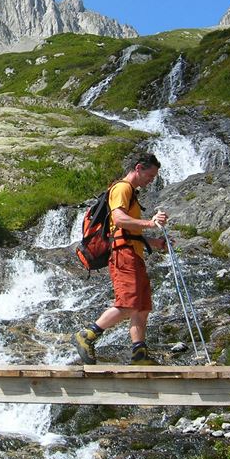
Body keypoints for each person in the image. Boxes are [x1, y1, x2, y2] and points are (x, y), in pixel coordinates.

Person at [72, 153, 168, 365]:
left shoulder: (132, 192)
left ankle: (139, 354)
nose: (151, 180)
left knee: (142, 307)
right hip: (123, 254)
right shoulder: (122, 188)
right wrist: (150, 223)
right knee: (128, 304)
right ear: (138, 168)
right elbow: (119, 220)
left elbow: (129, 230)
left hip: (134, 253)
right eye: (150, 175)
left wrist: (155, 243)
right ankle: (87, 335)